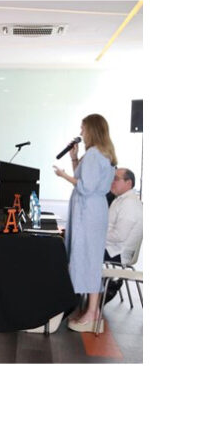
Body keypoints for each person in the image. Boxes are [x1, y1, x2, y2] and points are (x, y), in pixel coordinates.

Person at [54, 114, 117, 333]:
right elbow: (87, 180)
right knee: (92, 260)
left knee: (88, 260)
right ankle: (94, 311)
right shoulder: (104, 155)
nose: (80, 132)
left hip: (88, 212)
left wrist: (63, 176)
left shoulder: (93, 154)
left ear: (91, 129)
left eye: (83, 128)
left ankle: (91, 314)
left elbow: (85, 186)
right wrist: (74, 158)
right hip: (95, 210)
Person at [103, 167, 143, 304]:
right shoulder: (120, 200)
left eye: (116, 179)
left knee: (76, 254)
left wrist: (95, 235)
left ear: (129, 183)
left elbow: (119, 235)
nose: (111, 182)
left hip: (117, 252)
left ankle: (87, 302)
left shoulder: (129, 203)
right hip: (111, 247)